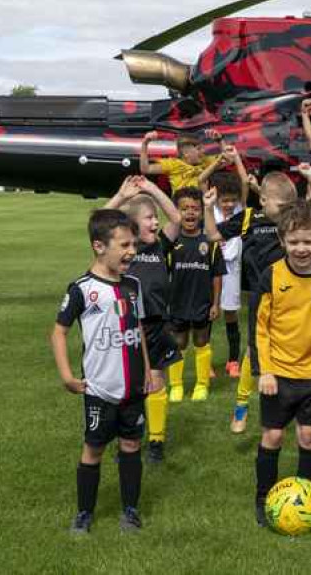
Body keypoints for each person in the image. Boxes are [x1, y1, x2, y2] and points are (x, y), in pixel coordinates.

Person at [51, 209, 164, 534]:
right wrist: (67, 376)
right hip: (100, 389)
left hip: (133, 389)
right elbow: (58, 332)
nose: (132, 250)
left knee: (131, 445)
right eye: (125, 244)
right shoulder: (83, 289)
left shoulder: (133, 285)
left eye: (134, 244)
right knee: (94, 448)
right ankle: (84, 513)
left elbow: (138, 327)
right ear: (99, 246)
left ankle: (130, 510)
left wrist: (148, 369)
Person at [253, 200, 311, 526]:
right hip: (277, 373)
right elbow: (260, 328)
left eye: (308, 241)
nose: (301, 248)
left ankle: (307, 499)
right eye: (294, 242)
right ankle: (263, 498)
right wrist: (264, 370)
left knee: (308, 436)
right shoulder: (271, 276)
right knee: (273, 436)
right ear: (282, 242)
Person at [105, 176, 183, 463]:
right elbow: (99, 224)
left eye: (155, 218)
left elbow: (175, 217)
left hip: (156, 325)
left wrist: (152, 189)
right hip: (126, 326)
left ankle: (156, 441)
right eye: (149, 218)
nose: (156, 222)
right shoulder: (124, 252)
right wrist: (122, 196)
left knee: (156, 380)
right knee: (127, 386)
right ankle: (127, 438)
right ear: (133, 225)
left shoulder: (160, 246)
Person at [213, 171, 298, 433]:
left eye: (289, 207)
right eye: (281, 206)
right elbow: (213, 234)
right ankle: (241, 409)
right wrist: (207, 207)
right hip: (261, 299)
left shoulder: (293, 220)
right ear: (262, 200)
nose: (285, 212)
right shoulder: (249, 217)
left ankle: (307, 408)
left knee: (297, 347)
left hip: (293, 295)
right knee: (254, 351)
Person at [165, 187, 226, 403]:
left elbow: (217, 275)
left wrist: (216, 303)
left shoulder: (210, 241)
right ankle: (176, 386)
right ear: (176, 212)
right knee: (178, 343)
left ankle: (202, 384)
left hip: (202, 301)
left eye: (195, 209)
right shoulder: (170, 243)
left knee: (201, 341)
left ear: (201, 212)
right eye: (185, 209)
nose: (190, 213)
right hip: (178, 302)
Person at [199, 147, 250, 378]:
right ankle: (206, 362)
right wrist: (218, 161)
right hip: (211, 268)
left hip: (232, 269)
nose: (228, 205)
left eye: (232, 200)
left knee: (231, 314)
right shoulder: (211, 209)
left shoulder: (240, 210)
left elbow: (244, 181)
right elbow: (201, 179)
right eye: (224, 200)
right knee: (208, 313)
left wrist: (237, 157)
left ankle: (232, 361)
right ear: (215, 197)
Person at [139, 132, 218, 192]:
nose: (203, 151)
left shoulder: (206, 161)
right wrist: (145, 144)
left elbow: (228, 159)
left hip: (202, 207)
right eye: (199, 149)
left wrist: (220, 140)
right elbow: (146, 169)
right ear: (186, 153)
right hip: (181, 208)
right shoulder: (173, 164)